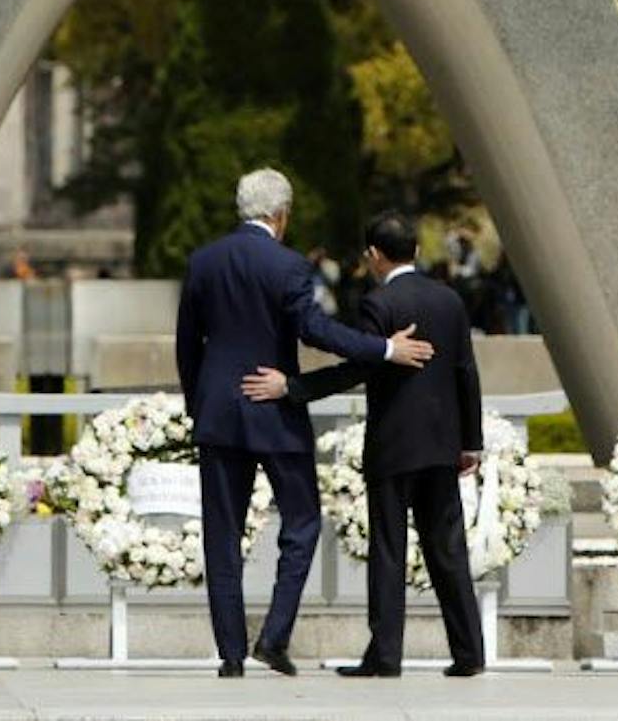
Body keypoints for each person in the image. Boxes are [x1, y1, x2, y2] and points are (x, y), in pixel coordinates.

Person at [175, 167, 433, 678]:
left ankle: (230, 654)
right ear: (281, 215)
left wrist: (197, 403)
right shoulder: (289, 266)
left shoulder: (203, 262)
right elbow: (315, 331)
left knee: (221, 535)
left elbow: (187, 344)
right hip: (274, 412)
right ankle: (273, 634)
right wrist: (384, 348)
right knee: (302, 520)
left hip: (219, 416)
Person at [240, 211, 485, 677]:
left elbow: (357, 368)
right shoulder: (449, 299)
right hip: (441, 445)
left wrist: (291, 387)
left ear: (374, 255)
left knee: (390, 551)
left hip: (393, 445)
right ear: (415, 250)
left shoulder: (379, 302)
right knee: (449, 549)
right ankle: (470, 653)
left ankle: (386, 656)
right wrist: (470, 441)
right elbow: (466, 372)